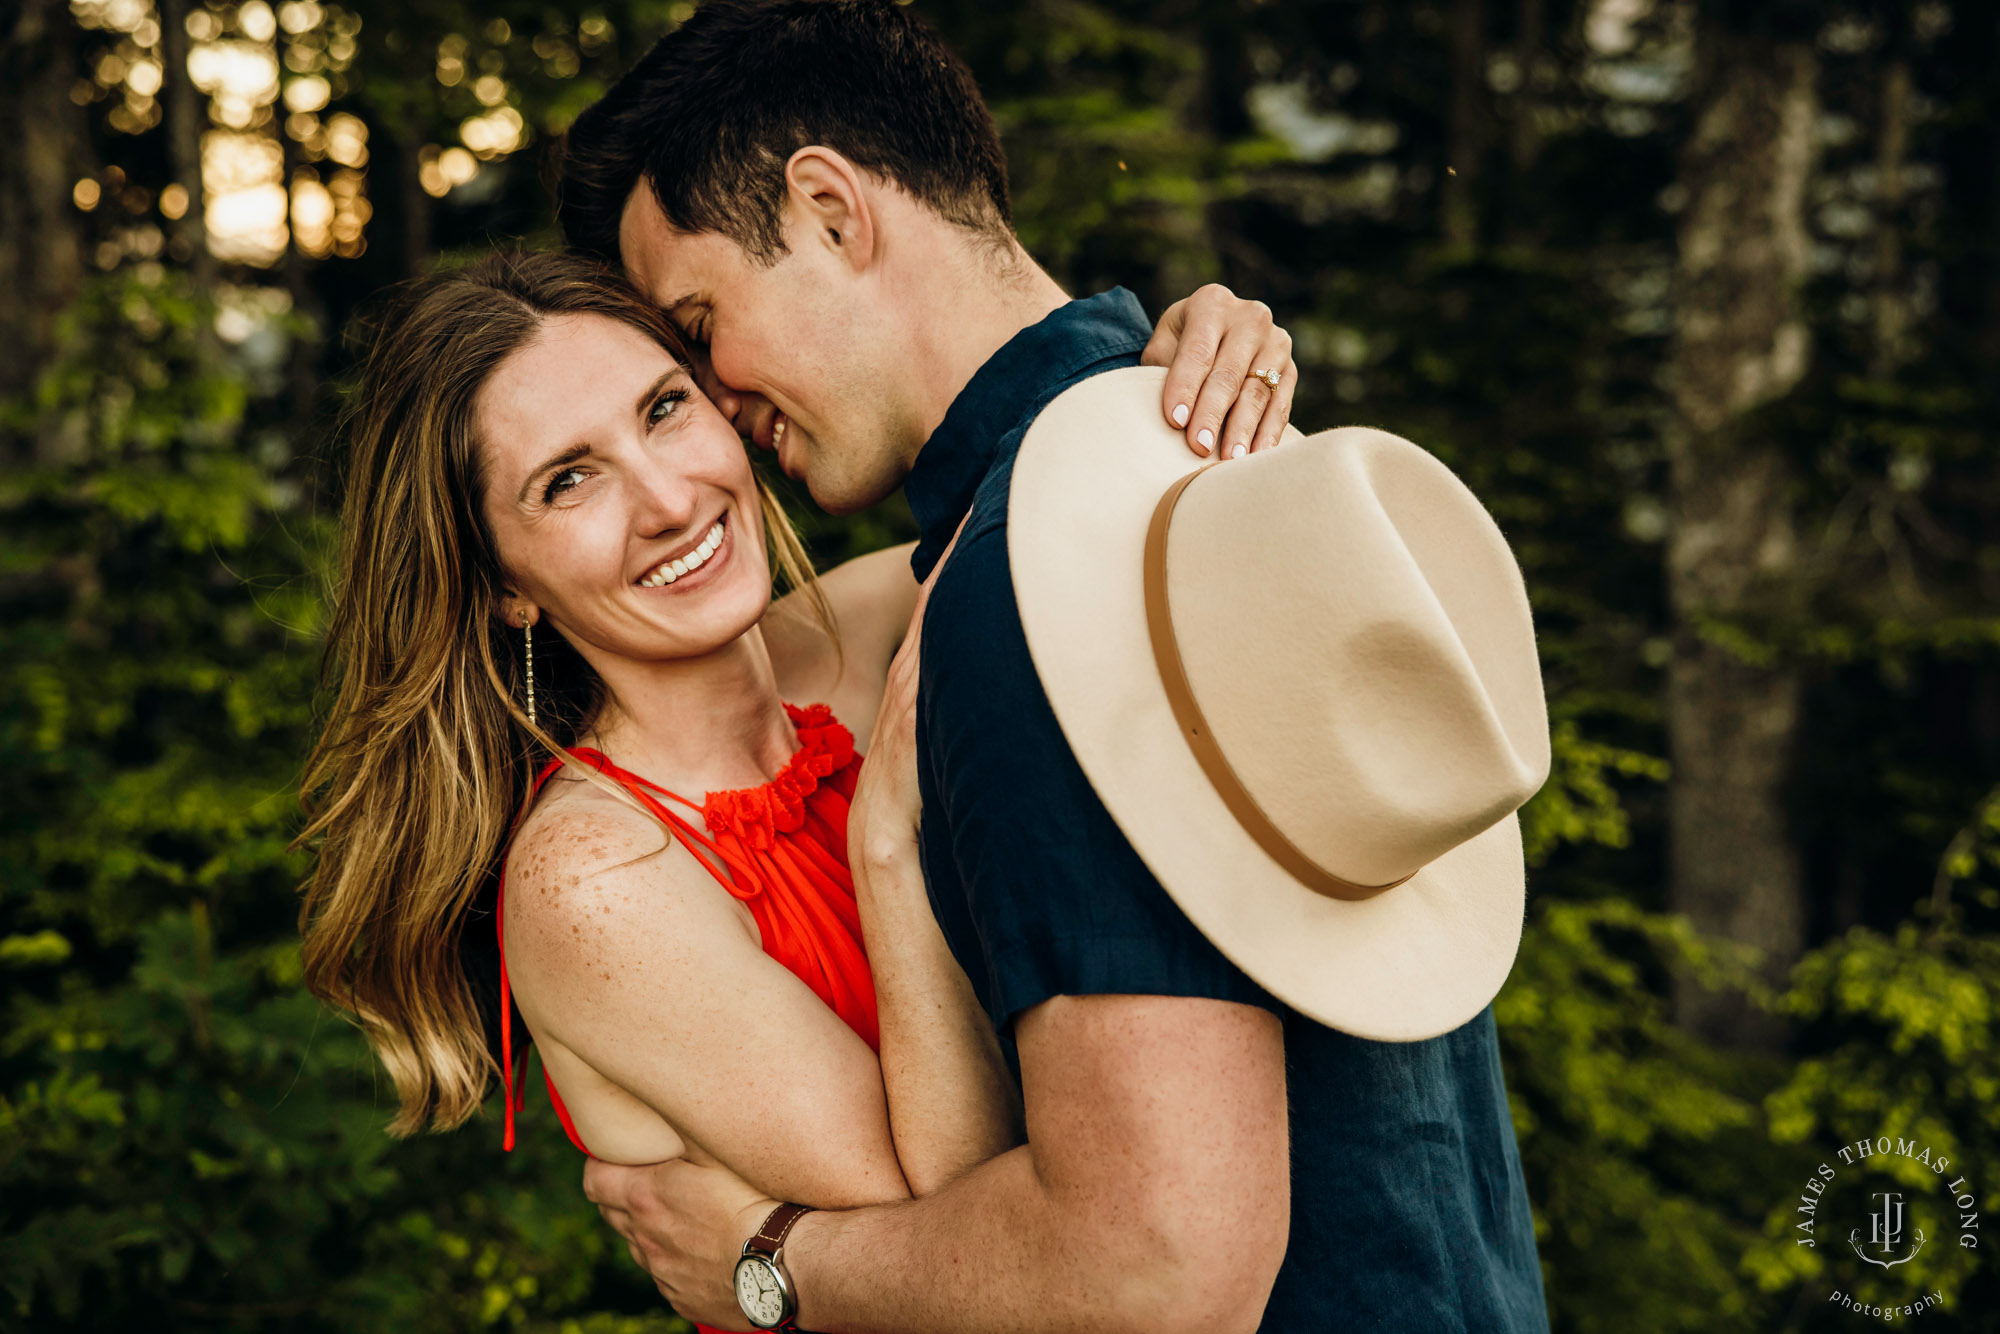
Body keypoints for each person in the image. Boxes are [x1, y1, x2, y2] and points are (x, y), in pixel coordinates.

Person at [555, 2, 1551, 1332]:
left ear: (832, 209)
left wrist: (773, 1265)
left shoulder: (1032, 587)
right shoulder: (1208, 462)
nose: (719, 396)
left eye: (700, 320)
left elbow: (1157, 1267)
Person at [294, 248, 1291, 1334]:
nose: (670, 497)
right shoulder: (595, 876)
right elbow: (959, 1248)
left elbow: (1118, 523)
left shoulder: (870, 629)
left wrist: (1188, 356)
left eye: (666, 408)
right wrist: (886, 848)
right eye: (568, 478)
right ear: (501, 586)